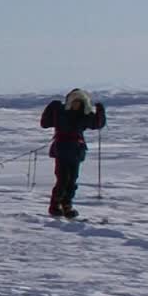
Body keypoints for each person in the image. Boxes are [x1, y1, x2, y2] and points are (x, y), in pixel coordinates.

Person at [40, 89, 107, 218]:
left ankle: (66, 205)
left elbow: (97, 124)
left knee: (72, 180)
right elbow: (45, 123)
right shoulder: (60, 113)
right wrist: (51, 108)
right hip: (62, 149)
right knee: (63, 179)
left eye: (80, 102)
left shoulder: (84, 116)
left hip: (76, 151)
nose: (77, 104)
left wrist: (100, 112)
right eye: (75, 101)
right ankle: (56, 205)